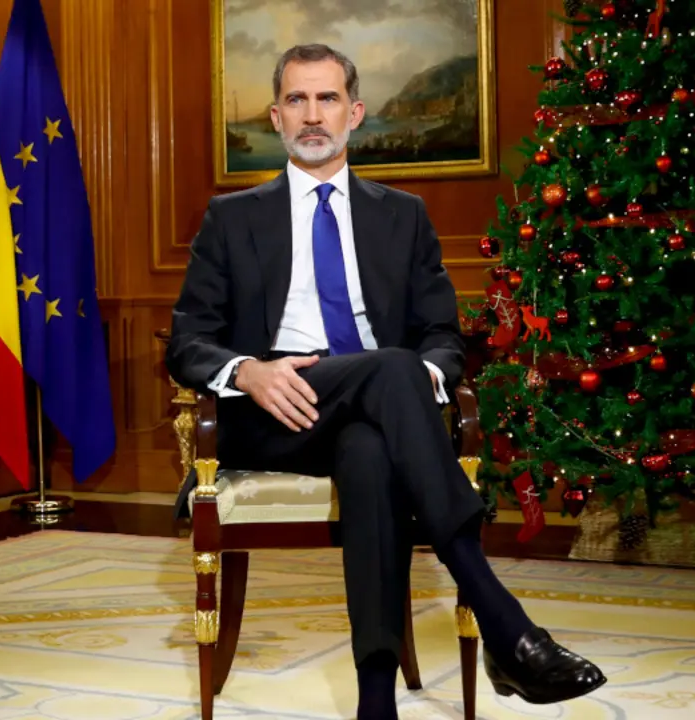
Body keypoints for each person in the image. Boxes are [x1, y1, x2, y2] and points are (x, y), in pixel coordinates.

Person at [164, 44, 606, 718]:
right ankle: (503, 622)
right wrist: (248, 372)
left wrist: (413, 383)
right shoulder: (232, 218)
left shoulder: (403, 214)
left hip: (379, 414)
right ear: (277, 117)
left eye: (329, 98)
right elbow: (187, 341)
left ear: (356, 112)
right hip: (275, 417)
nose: (313, 115)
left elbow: (441, 338)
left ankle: (376, 701)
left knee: (372, 445)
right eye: (297, 100)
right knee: (392, 372)